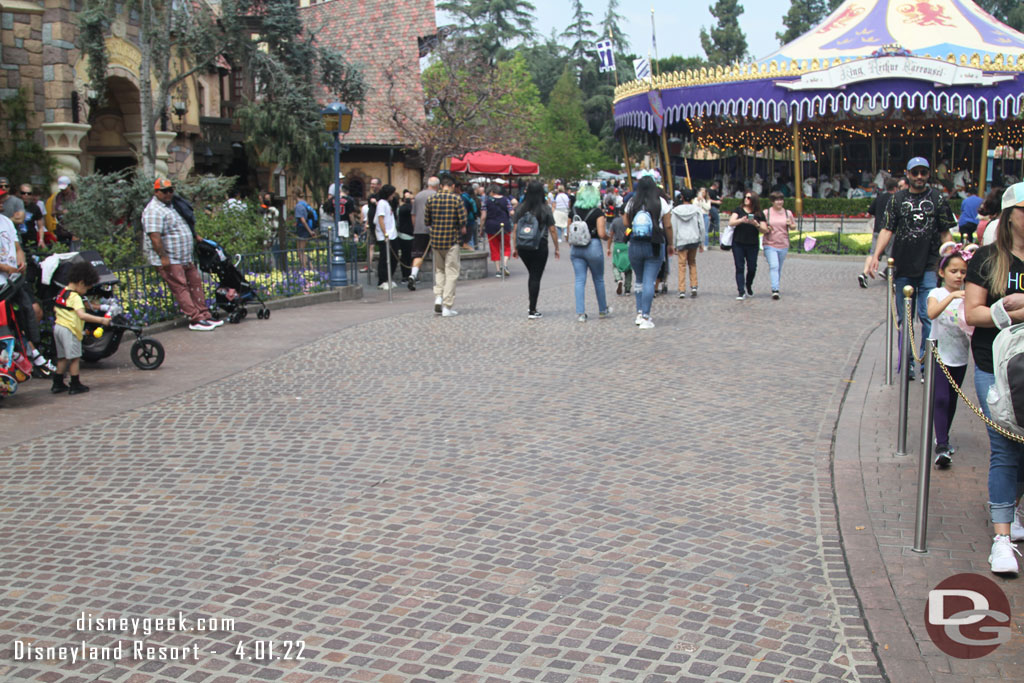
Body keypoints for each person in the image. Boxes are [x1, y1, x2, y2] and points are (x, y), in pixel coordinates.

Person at [964, 183, 1024, 574]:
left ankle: (1014, 511)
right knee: (1005, 449)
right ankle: (1002, 538)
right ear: (1008, 215)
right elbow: (972, 313)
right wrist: (1007, 312)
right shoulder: (988, 259)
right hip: (996, 367)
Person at [867, 157, 956, 379]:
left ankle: (926, 363)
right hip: (903, 265)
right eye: (914, 172)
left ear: (928, 174)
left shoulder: (937, 198)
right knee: (904, 319)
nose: (918, 177)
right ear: (907, 173)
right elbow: (887, 229)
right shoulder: (897, 199)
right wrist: (876, 255)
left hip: (929, 265)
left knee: (927, 316)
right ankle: (907, 363)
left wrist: (953, 258)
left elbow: (946, 232)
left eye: (923, 172)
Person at [142, 179, 223, 331]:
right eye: (164, 191)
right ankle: (195, 318)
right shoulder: (153, 210)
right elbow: (155, 236)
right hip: (171, 258)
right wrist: (163, 257)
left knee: (195, 283)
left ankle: (204, 314)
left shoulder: (173, 206)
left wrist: (196, 237)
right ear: (156, 192)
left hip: (185, 257)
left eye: (170, 190)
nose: (168, 194)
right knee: (181, 287)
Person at [927, 242, 974, 469]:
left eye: (963, 272)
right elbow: (932, 312)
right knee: (941, 398)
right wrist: (953, 296)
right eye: (954, 271)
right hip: (939, 354)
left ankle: (943, 434)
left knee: (953, 400)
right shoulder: (936, 293)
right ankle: (942, 446)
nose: (958, 276)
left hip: (960, 356)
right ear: (942, 272)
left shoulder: (969, 295)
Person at [0, 208, 54, 373]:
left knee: (26, 314)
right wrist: (7, 268)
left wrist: (20, 261)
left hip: (13, 281)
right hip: (2, 281)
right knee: (5, 325)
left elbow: (17, 248)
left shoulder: (6, 222)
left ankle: (31, 356)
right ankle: (31, 359)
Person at [50, 260, 110, 395]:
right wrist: (102, 320)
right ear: (81, 283)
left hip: (58, 327)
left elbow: (56, 308)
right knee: (75, 358)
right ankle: (75, 384)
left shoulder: (63, 291)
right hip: (70, 329)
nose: (85, 292)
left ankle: (57, 383)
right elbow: (82, 315)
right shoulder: (75, 297)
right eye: (86, 288)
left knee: (62, 357)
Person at [624, 176, 673, 329]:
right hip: (655, 243)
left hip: (635, 243)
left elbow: (626, 222)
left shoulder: (632, 202)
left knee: (638, 279)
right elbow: (668, 225)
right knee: (649, 280)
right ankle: (646, 316)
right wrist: (670, 243)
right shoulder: (661, 202)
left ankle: (639, 313)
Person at [512, 181, 559, 319]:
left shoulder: (520, 208)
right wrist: (556, 247)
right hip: (540, 246)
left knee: (532, 274)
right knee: (535, 276)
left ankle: (532, 307)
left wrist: (515, 246)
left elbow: (515, 229)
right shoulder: (545, 209)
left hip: (523, 247)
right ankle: (532, 309)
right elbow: (552, 229)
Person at [423, 174, 467, 317]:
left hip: (436, 240)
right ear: (453, 186)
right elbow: (463, 220)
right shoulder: (456, 199)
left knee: (439, 271)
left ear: (441, 185)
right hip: (451, 239)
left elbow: (427, 220)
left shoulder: (431, 199)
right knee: (452, 272)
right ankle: (447, 306)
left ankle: (438, 297)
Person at [568, 183, 610, 322]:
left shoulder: (573, 211)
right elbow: (601, 233)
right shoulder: (597, 212)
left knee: (579, 280)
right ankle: (602, 309)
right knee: (598, 279)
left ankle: (580, 313)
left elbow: (569, 231)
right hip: (593, 246)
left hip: (576, 249)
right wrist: (608, 237)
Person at [728, 192, 768, 300]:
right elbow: (731, 222)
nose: (746, 199)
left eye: (749, 198)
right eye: (745, 197)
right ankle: (741, 291)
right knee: (739, 267)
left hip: (752, 244)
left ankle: (748, 284)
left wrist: (756, 224)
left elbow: (765, 229)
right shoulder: (739, 210)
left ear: (754, 200)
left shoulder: (759, 213)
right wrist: (741, 220)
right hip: (738, 243)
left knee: (752, 268)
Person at [860, 177, 899, 287]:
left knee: (873, 254)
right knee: (891, 256)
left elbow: (869, 213)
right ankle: (892, 279)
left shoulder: (879, 198)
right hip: (890, 231)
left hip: (877, 230)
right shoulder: (895, 199)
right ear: (895, 188)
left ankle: (864, 273)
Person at [670, 188, 705, 299]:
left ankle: (682, 289)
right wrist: (701, 242)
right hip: (693, 239)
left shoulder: (675, 211)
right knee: (692, 263)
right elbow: (702, 227)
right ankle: (694, 285)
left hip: (681, 240)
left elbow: (674, 228)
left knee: (681, 265)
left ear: (682, 197)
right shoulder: (697, 210)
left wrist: (673, 244)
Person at [763, 191, 796, 299]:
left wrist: (790, 224)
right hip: (770, 243)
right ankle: (775, 289)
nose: (779, 202)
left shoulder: (788, 213)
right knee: (774, 266)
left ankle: (776, 284)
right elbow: (761, 226)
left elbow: (793, 226)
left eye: (781, 199)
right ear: (772, 201)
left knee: (778, 268)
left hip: (783, 243)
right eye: (777, 200)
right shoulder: (766, 212)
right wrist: (766, 228)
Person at [409, 176, 438, 286]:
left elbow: (413, 215)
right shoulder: (436, 196)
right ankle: (437, 279)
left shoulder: (418, 196)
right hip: (434, 229)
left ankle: (413, 274)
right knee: (437, 254)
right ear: (437, 186)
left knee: (418, 254)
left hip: (419, 229)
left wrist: (415, 227)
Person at [481, 184, 512, 277]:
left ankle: (498, 270)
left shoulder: (486, 201)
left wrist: (481, 228)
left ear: (491, 192)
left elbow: (483, 217)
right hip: (505, 225)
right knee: (506, 246)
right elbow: (511, 212)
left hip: (491, 226)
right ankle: (505, 264)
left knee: (494, 248)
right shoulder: (506, 200)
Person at [374, 184, 399, 290]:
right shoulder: (381, 203)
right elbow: (380, 219)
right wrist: (385, 233)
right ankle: (382, 280)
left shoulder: (387, 203)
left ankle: (389, 278)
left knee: (394, 258)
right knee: (384, 259)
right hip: (386, 235)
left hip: (393, 234)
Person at [606, 197, 632, 296]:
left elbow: (610, 235)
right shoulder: (630, 222)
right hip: (627, 245)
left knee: (616, 264)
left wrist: (608, 247)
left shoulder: (615, 221)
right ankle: (628, 289)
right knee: (628, 268)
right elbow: (629, 232)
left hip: (617, 246)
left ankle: (618, 279)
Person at [45, 176, 76, 246]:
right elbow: (52, 213)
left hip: (72, 229)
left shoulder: (75, 197)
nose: (63, 190)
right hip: (61, 229)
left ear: (69, 186)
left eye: (65, 188)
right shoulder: (57, 197)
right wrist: (61, 212)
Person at [293, 191, 317, 270]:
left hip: (303, 230)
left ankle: (306, 268)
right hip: (306, 229)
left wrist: (310, 231)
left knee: (300, 252)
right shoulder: (305, 204)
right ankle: (309, 266)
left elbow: (303, 220)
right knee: (301, 251)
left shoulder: (298, 206)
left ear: (295, 195)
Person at [395, 189, 414, 285]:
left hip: (402, 234)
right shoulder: (412, 209)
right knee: (409, 256)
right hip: (409, 234)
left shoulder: (400, 209)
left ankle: (405, 276)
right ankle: (409, 275)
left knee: (404, 256)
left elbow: (398, 222)